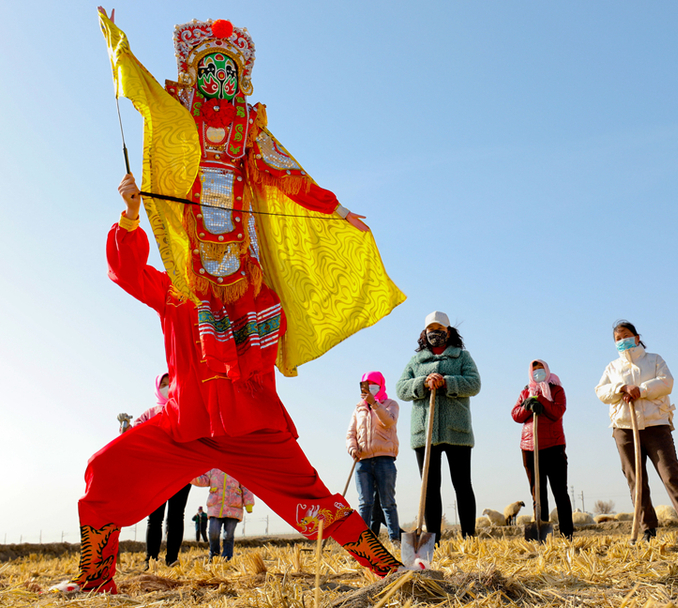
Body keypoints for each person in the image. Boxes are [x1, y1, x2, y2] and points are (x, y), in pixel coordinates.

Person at [51, 10, 405, 594]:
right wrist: (132, 212)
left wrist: (337, 209)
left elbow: (286, 172)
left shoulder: (254, 299)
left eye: (227, 70)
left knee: (313, 503)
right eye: (206, 69)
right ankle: (94, 580)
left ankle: (391, 572)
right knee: (104, 473)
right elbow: (123, 269)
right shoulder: (180, 291)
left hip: (250, 431)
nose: (217, 79)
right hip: (183, 426)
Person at [595, 320, 678, 540]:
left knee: (670, 474)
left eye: (625, 336)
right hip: (624, 427)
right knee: (636, 479)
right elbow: (601, 392)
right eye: (617, 339)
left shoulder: (654, 360)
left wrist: (640, 390)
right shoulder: (612, 367)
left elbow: (666, 383)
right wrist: (621, 388)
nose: (622, 341)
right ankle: (647, 528)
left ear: (636, 337)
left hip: (656, 424)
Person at [396, 311, 481, 541]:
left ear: (448, 332)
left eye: (440, 330)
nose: (436, 334)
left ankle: (469, 537)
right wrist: (422, 382)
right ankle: (432, 539)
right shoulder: (416, 361)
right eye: (431, 330)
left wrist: (447, 381)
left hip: (457, 431)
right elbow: (401, 389)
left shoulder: (462, 357)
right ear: (425, 333)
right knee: (430, 488)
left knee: (462, 484)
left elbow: (474, 384)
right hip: (425, 433)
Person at [129, 373, 191, 567]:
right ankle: (151, 559)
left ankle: (172, 558)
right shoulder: (150, 413)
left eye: (170, 383)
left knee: (176, 516)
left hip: (181, 470)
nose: (166, 387)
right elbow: (135, 433)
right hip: (156, 472)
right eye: (163, 384)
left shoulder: (185, 409)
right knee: (154, 516)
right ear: (157, 388)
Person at [511, 359, 574, 539]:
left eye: (541, 369)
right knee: (538, 493)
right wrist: (528, 406)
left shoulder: (556, 390)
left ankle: (566, 533)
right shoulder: (525, 392)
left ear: (547, 371)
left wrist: (542, 401)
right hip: (530, 448)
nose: (538, 372)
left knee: (560, 492)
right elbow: (515, 415)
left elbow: (557, 412)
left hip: (553, 446)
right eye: (535, 370)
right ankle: (541, 533)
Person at [345, 371, 402, 543]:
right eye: (366, 385)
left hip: (385, 459)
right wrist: (352, 449)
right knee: (365, 503)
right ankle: (365, 542)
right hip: (363, 462)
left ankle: (395, 540)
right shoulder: (358, 408)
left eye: (373, 384)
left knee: (388, 502)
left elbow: (389, 421)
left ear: (381, 385)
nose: (370, 388)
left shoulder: (391, 404)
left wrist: (375, 404)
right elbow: (350, 434)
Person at [191, 469, 254, 561]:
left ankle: (227, 557)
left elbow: (246, 486)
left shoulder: (238, 469)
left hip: (233, 509)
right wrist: (190, 478)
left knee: (228, 535)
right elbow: (203, 479)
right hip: (215, 507)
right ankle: (214, 554)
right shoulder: (213, 470)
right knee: (213, 532)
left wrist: (249, 503)